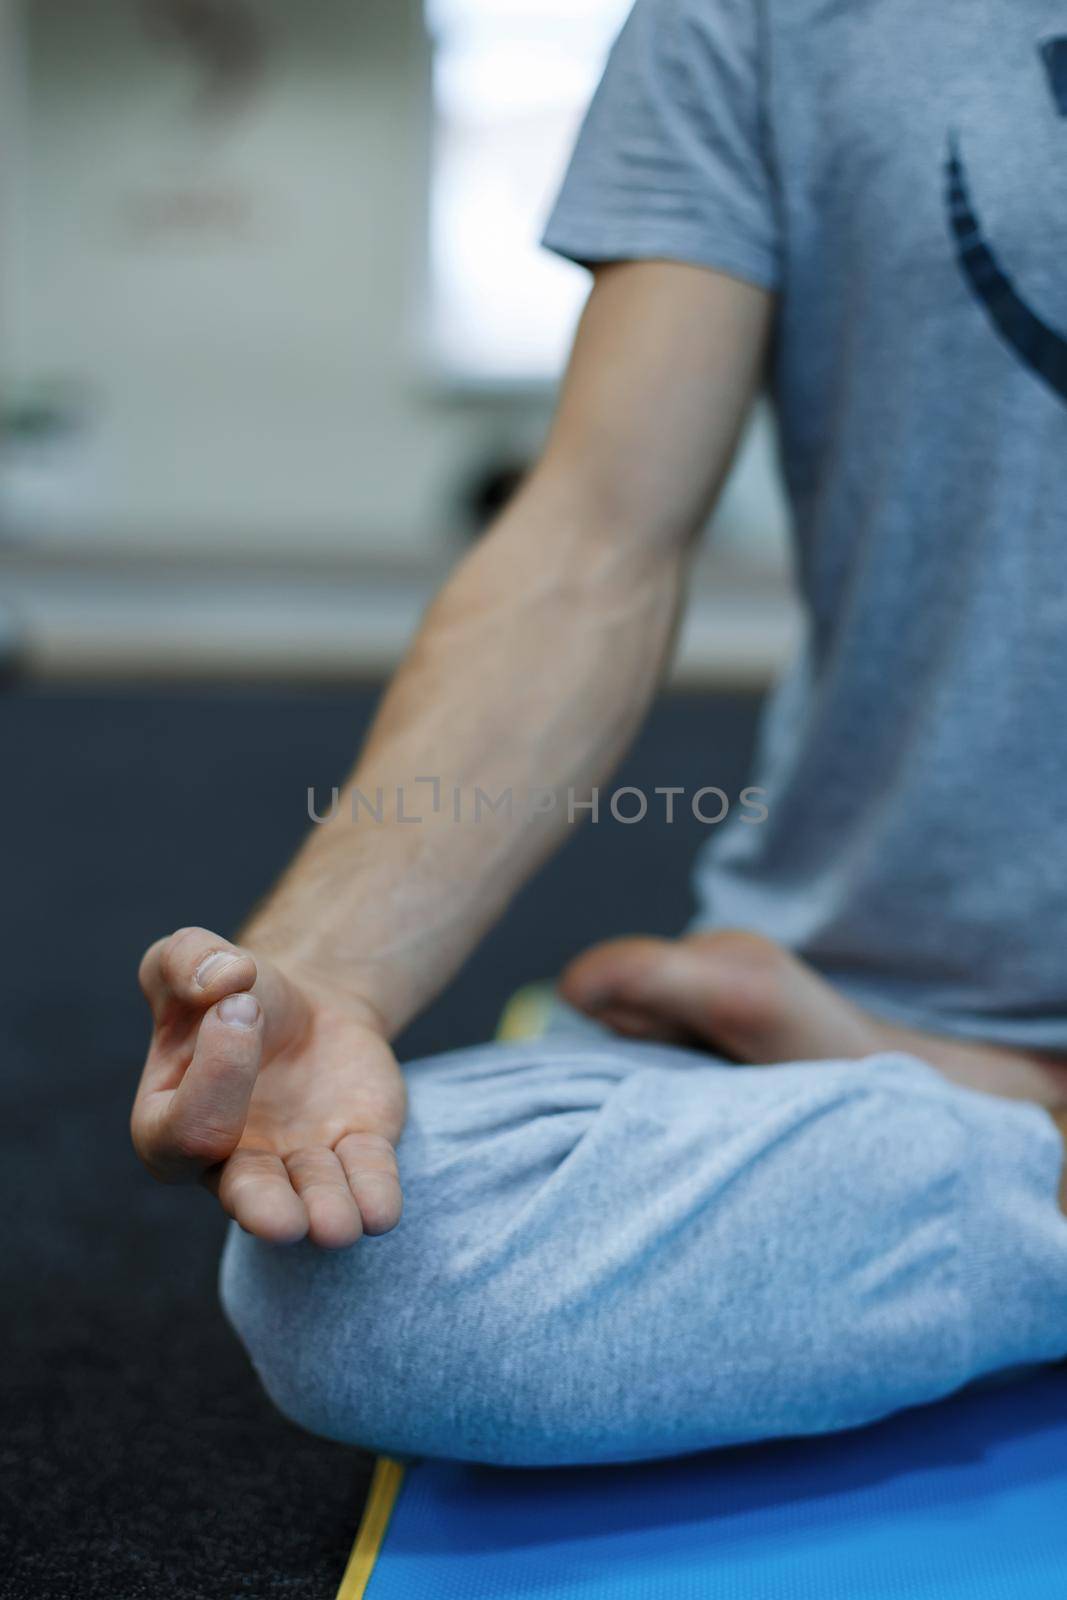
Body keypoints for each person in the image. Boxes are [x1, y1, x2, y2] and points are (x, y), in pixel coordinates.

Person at [131, 0, 1067, 1466]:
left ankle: (1014, 1137)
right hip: (880, 980)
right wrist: (315, 987)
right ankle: (988, 1112)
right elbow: (595, 537)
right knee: (373, 1274)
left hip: (857, 1095)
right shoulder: (754, 17)